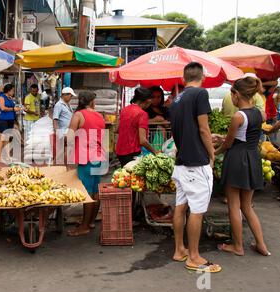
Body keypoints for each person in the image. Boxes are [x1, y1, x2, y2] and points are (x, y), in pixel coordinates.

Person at [169, 62, 221, 273]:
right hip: (196, 163)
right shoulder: (200, 94)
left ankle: (179, 249)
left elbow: (181, 130)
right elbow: (203, 128)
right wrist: (212, 153)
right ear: (203, 77)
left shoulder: (176, 99)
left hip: (181, 163)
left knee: (181, 206)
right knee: (197, 211)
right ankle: (194, 256)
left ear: (183, 78)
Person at [215, 77, 271, 256]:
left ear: (236, 94)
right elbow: (245, 136)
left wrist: (213, 152)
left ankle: (237, 246)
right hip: (253, 157)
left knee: (233, 205)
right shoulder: (259, 114)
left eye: (231, 94)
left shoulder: (238, 116)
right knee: (247, 206)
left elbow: (229, 144)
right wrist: (224, 139)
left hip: (237, 159)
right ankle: (261, 244)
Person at [66, 91, 106, 236]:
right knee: (95, 192)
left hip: (86, 158)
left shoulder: (79, 115)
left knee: (87, 193)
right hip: (99, 157)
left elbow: (69, 137)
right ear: (91, 102)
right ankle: (90, 221)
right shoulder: (99, 115)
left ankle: (84, 227)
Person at [116, 87, 159, 167]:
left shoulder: (124, 110)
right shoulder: (142, 114)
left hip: (120, 151)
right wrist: (155, 151)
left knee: (124, 176)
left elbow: (117, 130)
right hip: (132, 152)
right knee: (133, 178)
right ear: (147, 101)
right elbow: (142, 141)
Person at [0, 84, 21, 163]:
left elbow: (13, 108)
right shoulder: (1, 97)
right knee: (2, 138)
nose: (13, 92)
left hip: (10, 120)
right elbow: (3, 108)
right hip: (3, 120)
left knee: (7, 139)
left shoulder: (10, 98)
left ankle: (7, 156)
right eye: (12, 90)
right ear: (9, 90)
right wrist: (13, 108)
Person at [52, 87, 76, 164]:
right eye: (70, 96)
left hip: (68, 131)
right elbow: (55, 119)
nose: (71, 97)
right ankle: (54, 165)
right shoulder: (59, 105)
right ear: (65, 95)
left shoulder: (68, 105)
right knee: (61, 151)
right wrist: (57, 132)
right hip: (62, 132)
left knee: (66, 149)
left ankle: (62, 165)